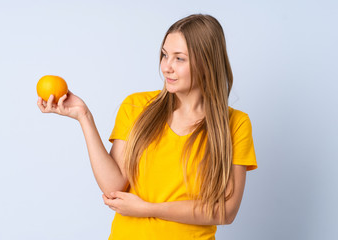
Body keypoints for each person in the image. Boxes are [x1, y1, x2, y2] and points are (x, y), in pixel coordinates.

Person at [37, 13, 257, 240]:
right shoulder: (136, 106)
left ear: (207, 63)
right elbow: (114, 188)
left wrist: (148, 209)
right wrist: (84, 117)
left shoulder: (235, 124)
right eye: (164, 55)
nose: (166, 67)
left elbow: (225, 210)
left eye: (179, 58)